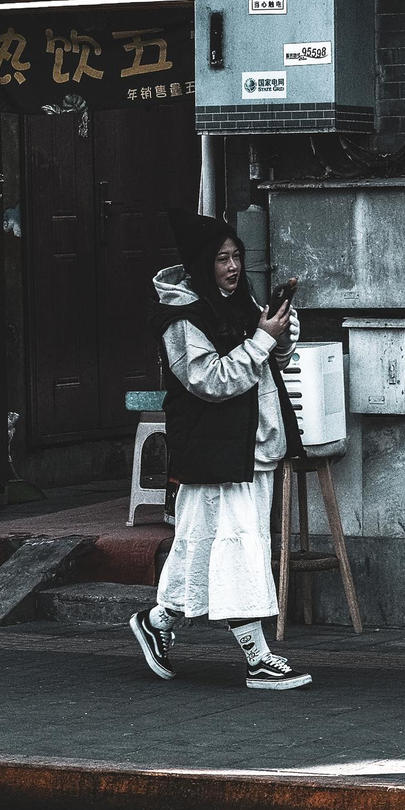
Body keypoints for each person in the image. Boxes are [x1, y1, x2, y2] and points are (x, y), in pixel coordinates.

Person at [128, 214, 312, 690]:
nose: (232, 267)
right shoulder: (183, 318)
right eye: (221, 258)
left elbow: (265, 361)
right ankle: (258, 656)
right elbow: (210, 380)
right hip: (214, 450)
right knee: (238, 549)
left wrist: (280, 332)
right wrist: (263, 340)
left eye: (236, 256)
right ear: (200, 263)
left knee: (204, 549)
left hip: (250, 445)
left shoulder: (237, 302)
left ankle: (158, 621)